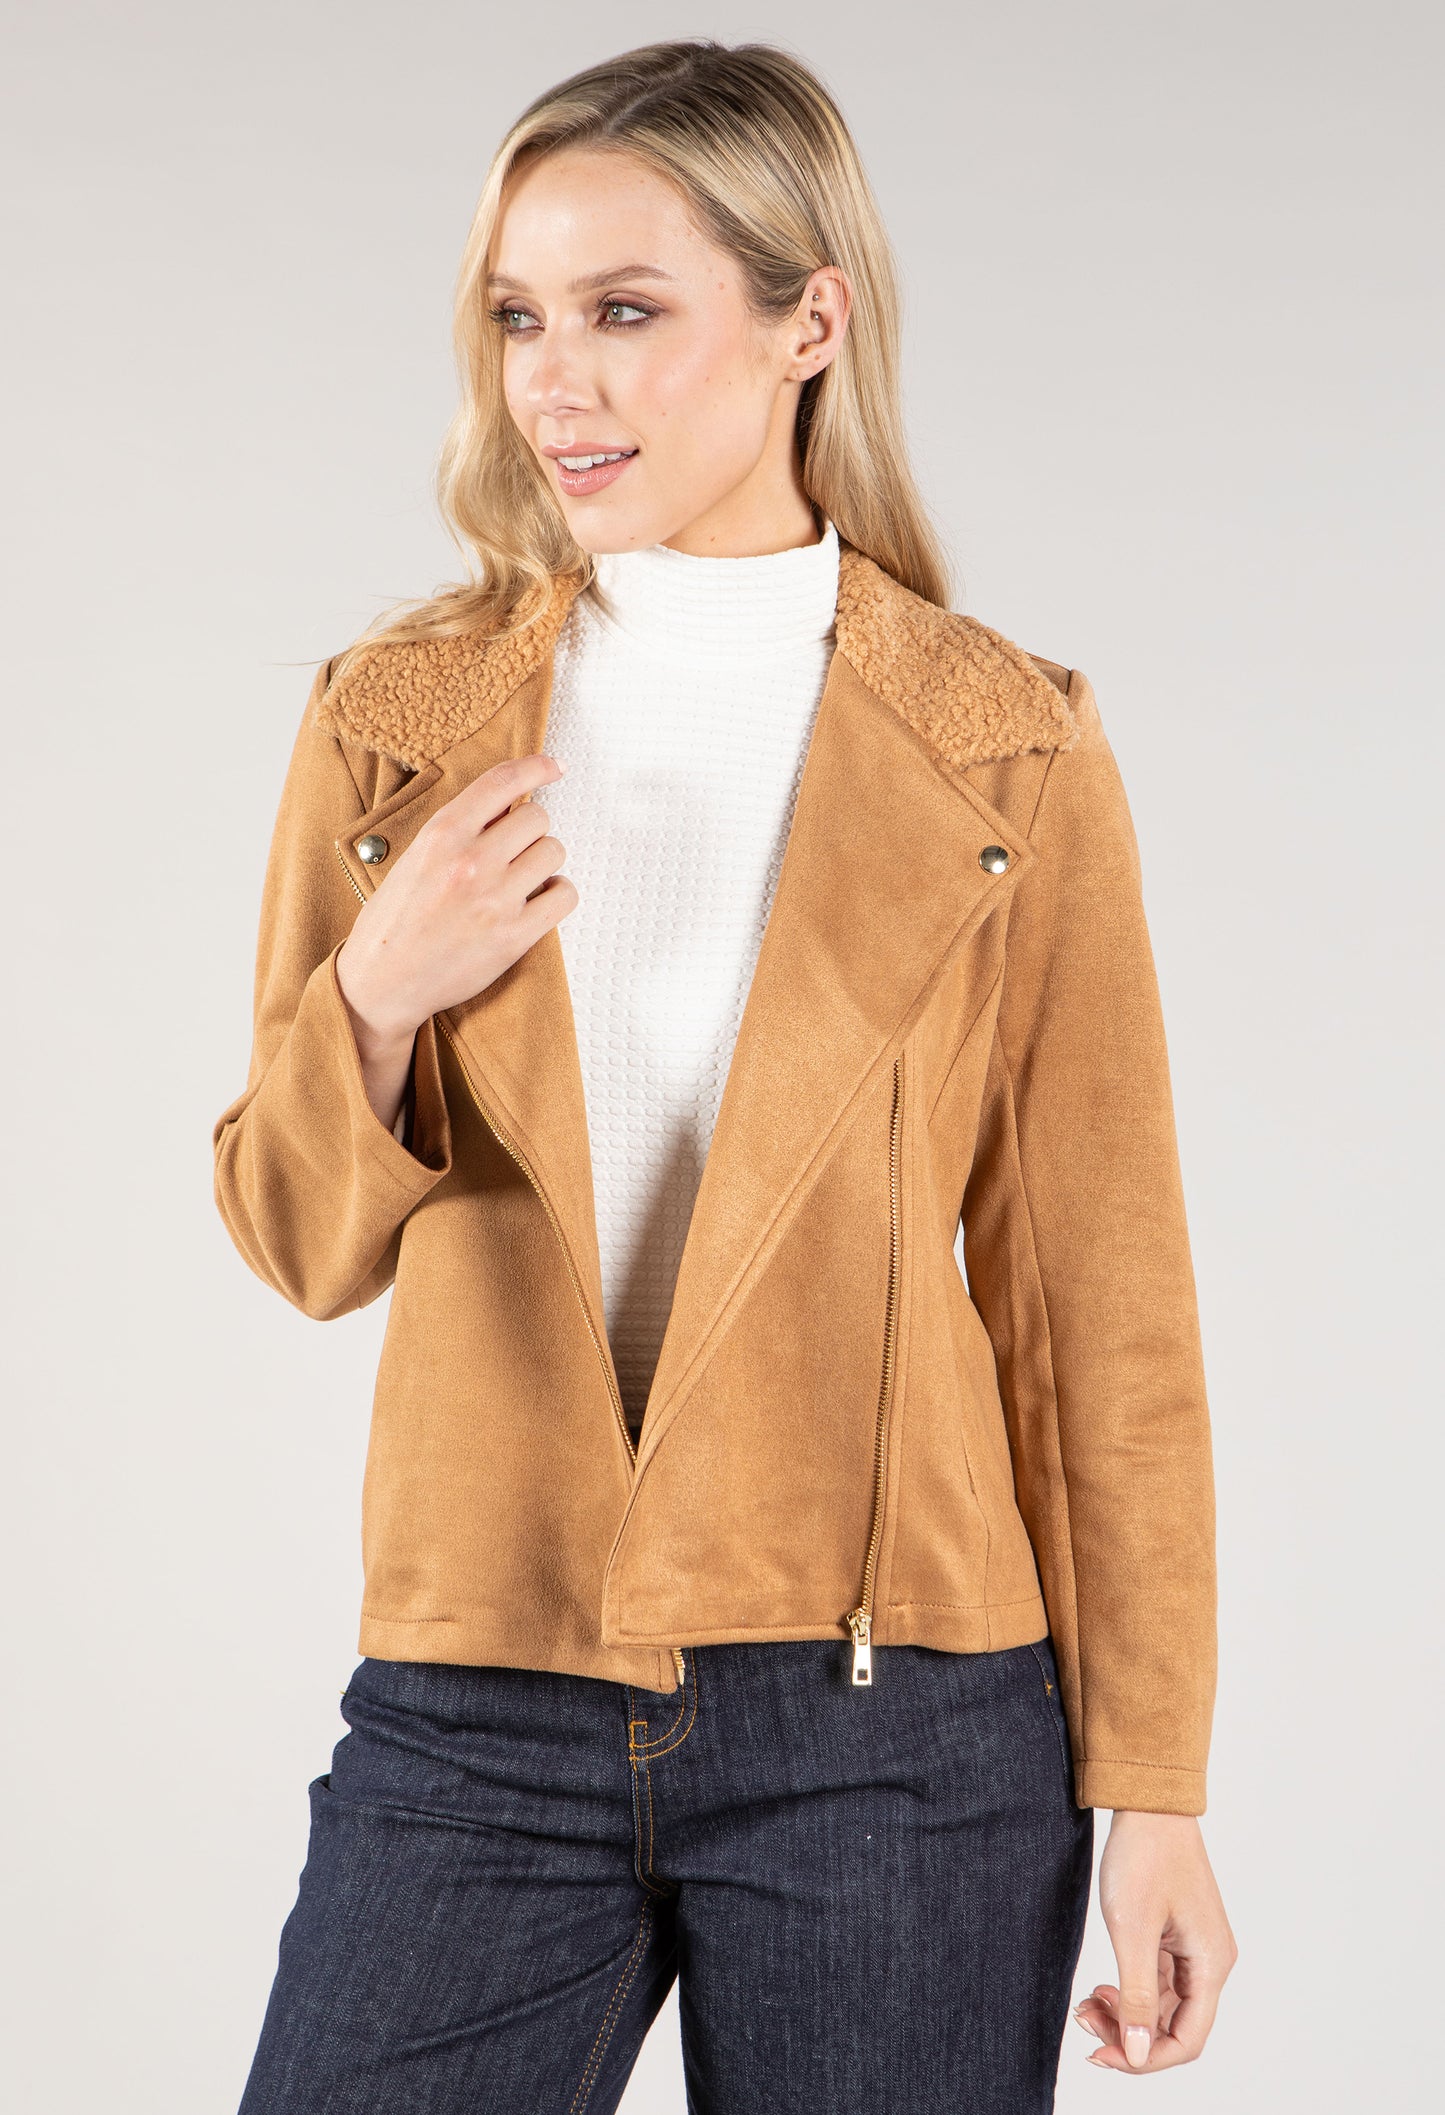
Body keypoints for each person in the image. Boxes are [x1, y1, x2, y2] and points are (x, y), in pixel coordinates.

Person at [213, 37, 1236, 2114]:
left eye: (623, 310)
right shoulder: (394, 723)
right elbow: (299, 1242)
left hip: (902, 1718)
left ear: (806, 322)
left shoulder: (1006, 746)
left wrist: (1157, 1789)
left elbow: (1096, 1306)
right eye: (519, 315)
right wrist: (375, 999)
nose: (552, 380)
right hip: (481, 1684)